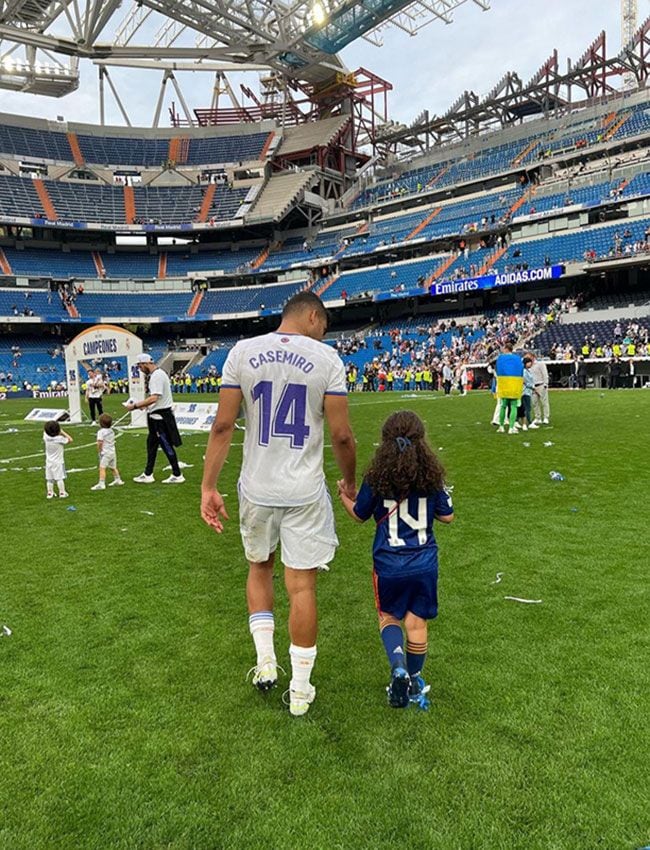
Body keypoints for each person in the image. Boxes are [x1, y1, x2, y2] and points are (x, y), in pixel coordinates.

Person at [200, 291, 356, 717]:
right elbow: (342, 436)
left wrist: (207, 487)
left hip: (257, 487)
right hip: (304, 490)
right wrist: (349, 480)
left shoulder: (242, 352)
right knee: (301, 586)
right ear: (311, 316)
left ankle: (266, 660)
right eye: (323, 325)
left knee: (259, 567)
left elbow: (222, 425)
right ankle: (301, 690)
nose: (323, 333)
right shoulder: (327, 360)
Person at [337, 411, 454, 709]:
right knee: (417, 623)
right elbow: (448, 516)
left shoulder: (376, 476)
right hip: (424, 561)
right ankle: (415, 678)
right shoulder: (431, 475)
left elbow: (360, 515)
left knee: (388, 616)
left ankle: (399, 667)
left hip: (389, 562)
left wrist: (343, 497)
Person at [126, 353, 185, 484]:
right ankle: (148, 473)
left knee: (166, 445)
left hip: (160, 419)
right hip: (155, 416)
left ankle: (177, 473)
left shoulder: (156, 376)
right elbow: (155, 400)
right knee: (151, 446)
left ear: (146, 363)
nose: (140, 369)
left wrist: (135, 406)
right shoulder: (157, 375)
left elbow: (154, 397)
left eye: (140, 366)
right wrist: (145, 407)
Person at [495, 343, 524, 434]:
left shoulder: (501, 358)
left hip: (504, 385)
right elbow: (521, 370)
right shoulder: (518, 358)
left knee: (503, 406)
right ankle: (511, 428)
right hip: (515, 385)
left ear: (506, 349)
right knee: (514, 406)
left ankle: (501, 426)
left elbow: (497, 370)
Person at [91, 413, 124, 490]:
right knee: (113, 467)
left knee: (102, 468)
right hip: (112, 451)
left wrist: (99, 451)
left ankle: (101, 483)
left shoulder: (101, 432)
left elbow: (100, 442)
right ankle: (118, 479)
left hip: (105, 453)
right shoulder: (111, 431)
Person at [43, 420, 72, 499]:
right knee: (59, 478)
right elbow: (70, 439)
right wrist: (62, 432)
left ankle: (50, 493)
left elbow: (46, 431)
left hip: (49, 461)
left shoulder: (46, 437)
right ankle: (62, 492)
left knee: (49, 479)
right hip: (58, 462)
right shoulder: (60, 438)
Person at [528, 353, 550, 424]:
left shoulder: (540, 364)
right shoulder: (528, 366)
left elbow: (545, 374)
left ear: (533, 357)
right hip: (533, 386)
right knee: (535, 403)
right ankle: (538, 417)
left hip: (541, 384)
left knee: (544, 402)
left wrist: (545, 384)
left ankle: (546, 417)